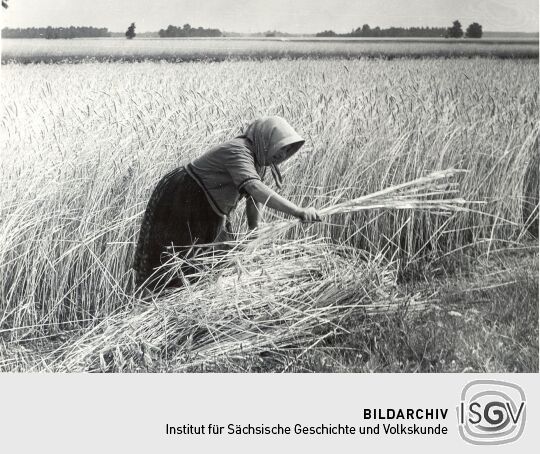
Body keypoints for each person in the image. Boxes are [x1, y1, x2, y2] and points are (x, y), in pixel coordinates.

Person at [133, 116, 320, 291]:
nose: (283, 154)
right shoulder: (239, 150)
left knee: (214, 260)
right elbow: (254, 188)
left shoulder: (259, 162)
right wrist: (297, 211)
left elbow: (252, 198)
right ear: (266, 140)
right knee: (176, 259)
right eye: (281, 147)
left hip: (209, 206)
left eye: (288, 150)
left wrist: (254, 229)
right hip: (184, 197)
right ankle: (160, 304)